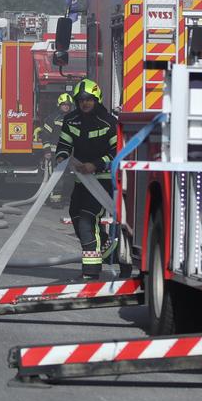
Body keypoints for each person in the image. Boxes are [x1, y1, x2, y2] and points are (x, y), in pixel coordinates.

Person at [52, 78, 122, 281]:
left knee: (87, 218)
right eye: (81, 99)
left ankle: (91, 271)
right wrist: (61, 156)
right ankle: (110, 249)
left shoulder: (108, 122)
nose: (85, 103)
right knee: (75, 213)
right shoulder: (71, 120)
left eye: (89, 99)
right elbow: (64, 143)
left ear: (97, 99)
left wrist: (96, 164)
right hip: (82, 180)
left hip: (103, 180)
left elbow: (116, 151)